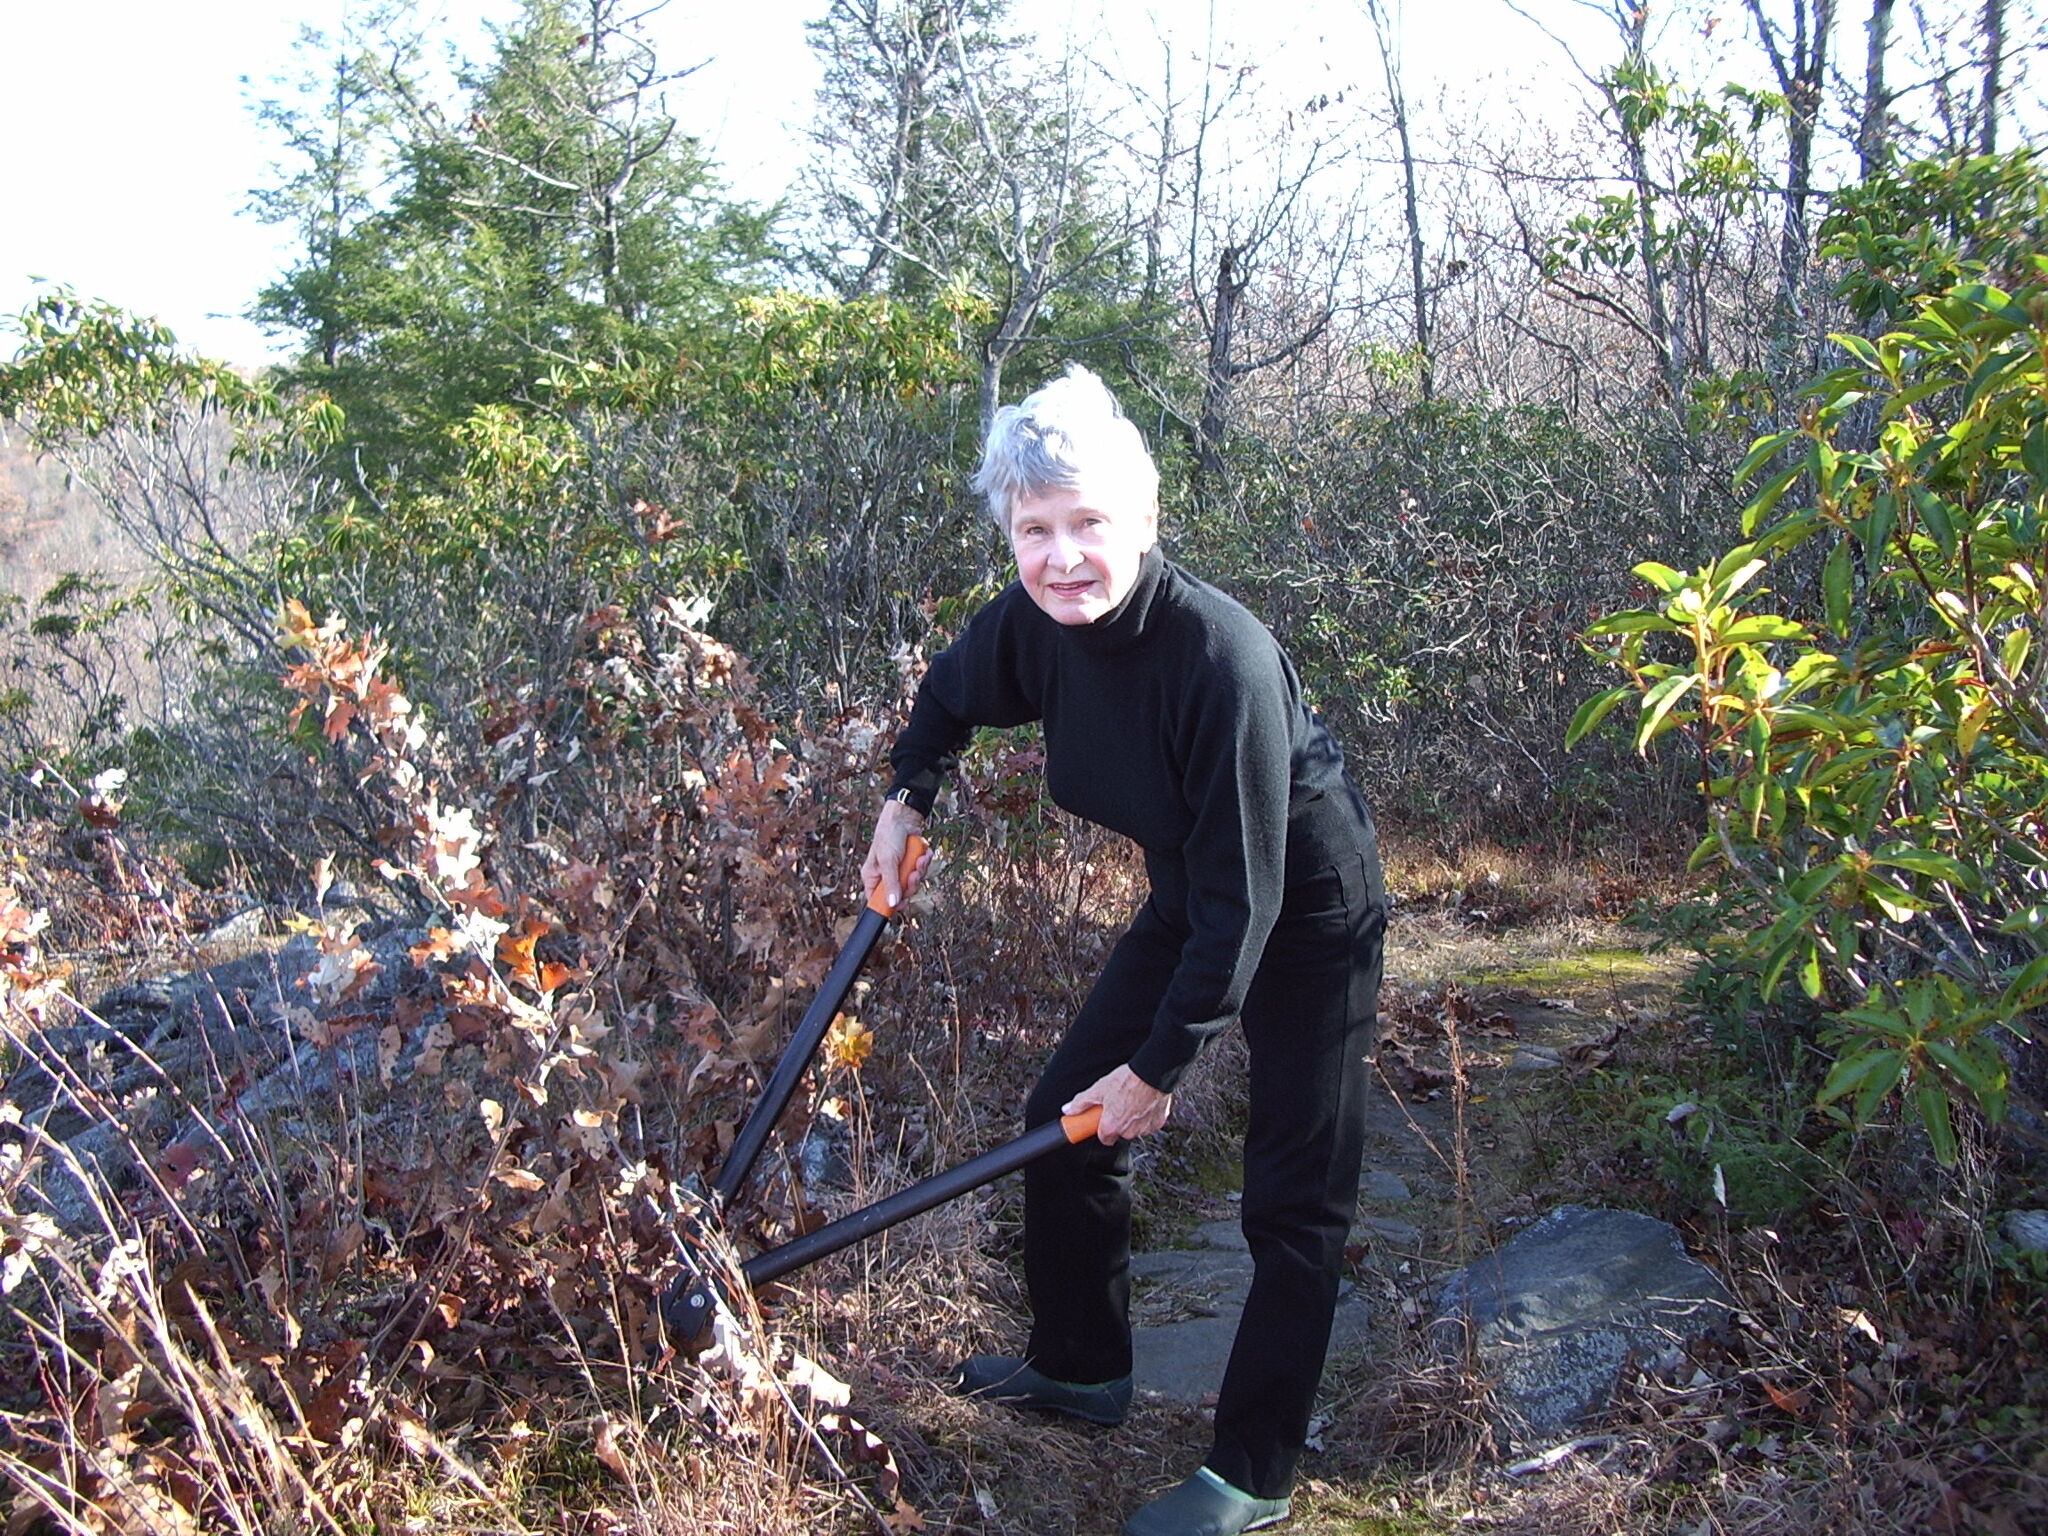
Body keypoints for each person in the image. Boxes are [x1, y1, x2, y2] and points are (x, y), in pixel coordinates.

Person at [862, 365, 1385, 1536]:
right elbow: (948, 698)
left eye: (1087, 524)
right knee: (1061, 1121)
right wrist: (908, 799)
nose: (1061, 558)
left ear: (1139, 522)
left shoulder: (1220, 660)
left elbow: (1246, 903)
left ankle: (1252, 1472)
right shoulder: (1037, 628)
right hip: (1194, 889)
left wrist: (1159, 1070)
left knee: (1291, 1203)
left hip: (1304, 910)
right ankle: (1080, 1369)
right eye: (1033, 530)